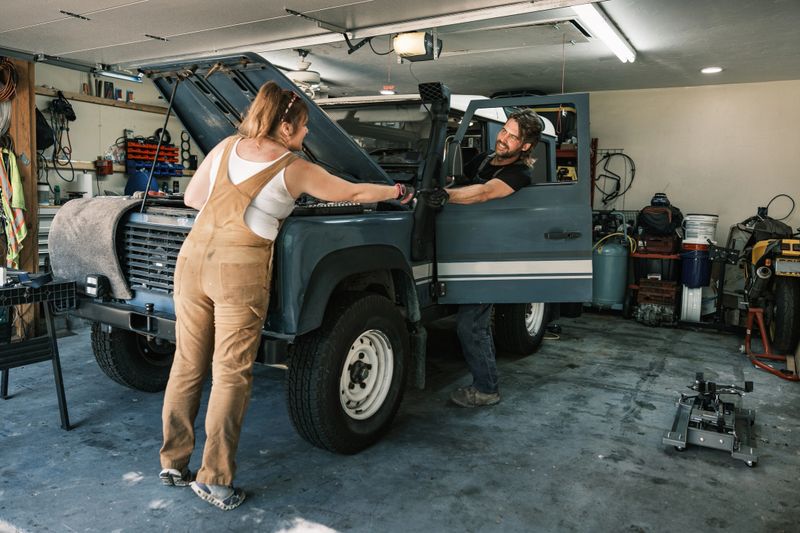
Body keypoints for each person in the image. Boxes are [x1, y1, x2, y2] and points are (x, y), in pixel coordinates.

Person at [158, 82, 414, 511]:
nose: (306, 135)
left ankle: (172, 462)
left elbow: (192, 197)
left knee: (187, 363)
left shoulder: (225, 146)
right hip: (238, 269)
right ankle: (215, 479)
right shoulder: (292, 166)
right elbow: (350, 192)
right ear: (285, 124)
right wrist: (394, 192)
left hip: (192, 262)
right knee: (230, 373)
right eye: (304, 127)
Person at [427, 109, 544, 408]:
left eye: (512, 136)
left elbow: (483, 193)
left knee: (472, 325)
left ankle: (487, 389)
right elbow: (460, 180)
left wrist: (446, 195)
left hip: (491, 254)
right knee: (470, 322)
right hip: (466, 247)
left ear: (526, 145)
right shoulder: (482, 159)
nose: (503, 138)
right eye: (504, 131)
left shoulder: (520, 173)